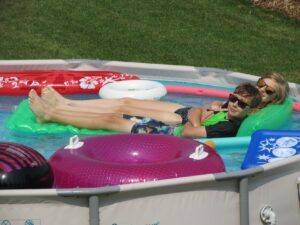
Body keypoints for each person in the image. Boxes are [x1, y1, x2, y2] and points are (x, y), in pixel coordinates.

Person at [28, 83, 261, 138]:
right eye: (233, 98)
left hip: (170, 129)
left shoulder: (227, 126)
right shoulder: (226, 111)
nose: (234, 104)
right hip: (184, 116)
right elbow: (200, 112)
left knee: (111, 118)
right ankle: (67, 104)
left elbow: (190, 133)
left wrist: (197, 115)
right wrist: (200, 112)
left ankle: (50, 114)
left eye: (241, 104)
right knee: (125, 102)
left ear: (250, 111)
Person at [210, 72, 290, 111]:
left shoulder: (260, 112)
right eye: (261, 83)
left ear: (275, 98)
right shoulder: (244, 97)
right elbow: (220, 103)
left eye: (269, 90)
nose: (261, 89)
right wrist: (216, 105)